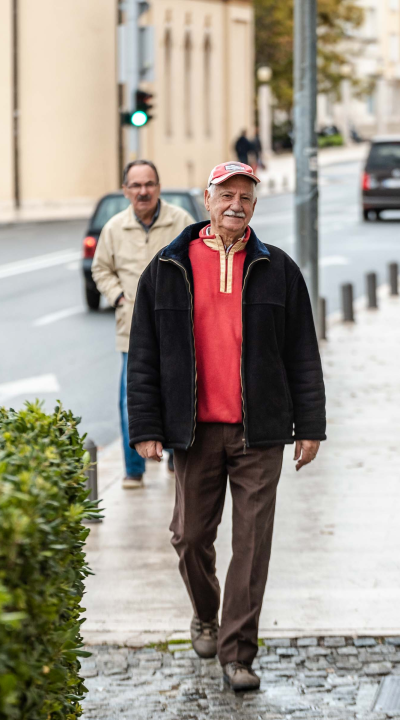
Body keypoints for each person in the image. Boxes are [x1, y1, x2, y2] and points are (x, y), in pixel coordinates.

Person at [126, 161, 326, 693]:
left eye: (246, 196)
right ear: (208, 202)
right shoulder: (168, 267)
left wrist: (310, 427)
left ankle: (238, 653)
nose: (236, 204)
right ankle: (206, 613)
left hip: (259, 431)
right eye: (226, 194)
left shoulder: (278, 268)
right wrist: (146, 427)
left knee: (253, 545)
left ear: (255, 206)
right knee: (190, 537)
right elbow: (144, 355)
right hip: (195, 432)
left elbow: (303, 353)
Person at [91, 159, 194, 489]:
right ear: (125, 191)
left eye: (149, 184)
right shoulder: (114, 228)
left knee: (179, 393)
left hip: (176, 329)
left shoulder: (182, 222)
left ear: (159, 187)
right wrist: (119, 297)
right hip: (131, 331)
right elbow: (100, 269)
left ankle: (178, 457)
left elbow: (199, 263)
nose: (143, 191)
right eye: (135, 185)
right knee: (130, 400)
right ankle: (133, 470)